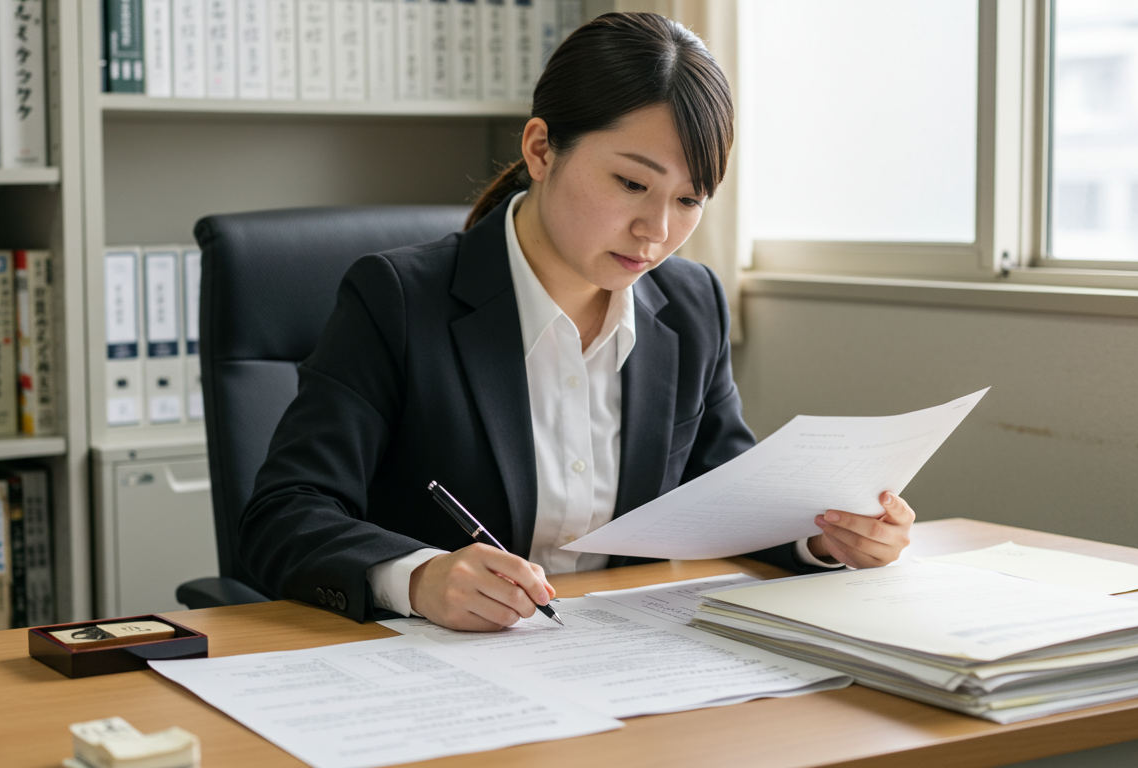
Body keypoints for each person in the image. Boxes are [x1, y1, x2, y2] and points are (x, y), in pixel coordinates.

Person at [238, 12, 915, 631]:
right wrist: (419, 577)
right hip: (438, 667)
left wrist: (823, 535)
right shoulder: (397, 299)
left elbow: (728, 495)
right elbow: (283, 517)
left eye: (688, 199)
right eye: (630, 183)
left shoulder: (688, 303)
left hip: (621, 661)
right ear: (540, 149)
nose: (657, 230)